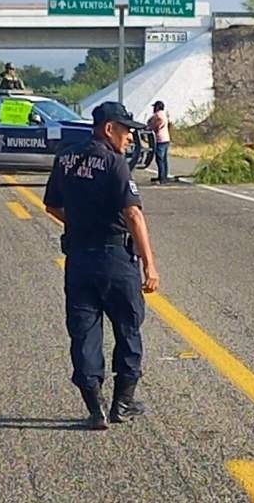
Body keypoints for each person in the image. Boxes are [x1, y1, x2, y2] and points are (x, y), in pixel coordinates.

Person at [44, 101, 160, 430]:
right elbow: (133, 214)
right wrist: (150, 264)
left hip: (79, 259)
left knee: (84, 331)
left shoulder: (65, 158)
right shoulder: (114, 162)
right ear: (109, 129)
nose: (128, 138)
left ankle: (94, 404)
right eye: (125, 131)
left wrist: (81, 223)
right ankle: (122, 402)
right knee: (127, 326)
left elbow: (52, 205)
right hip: (114, 259)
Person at [147, 100, 171, 184]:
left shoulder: (158, 115)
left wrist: (154, 127)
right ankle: (164, 176)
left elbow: (158, 121)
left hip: (160, 139)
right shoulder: (164, 114)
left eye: (154, 107)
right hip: (166, 139)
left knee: (159, 159)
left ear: (157, 107)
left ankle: (162, 178)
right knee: (164, 159)